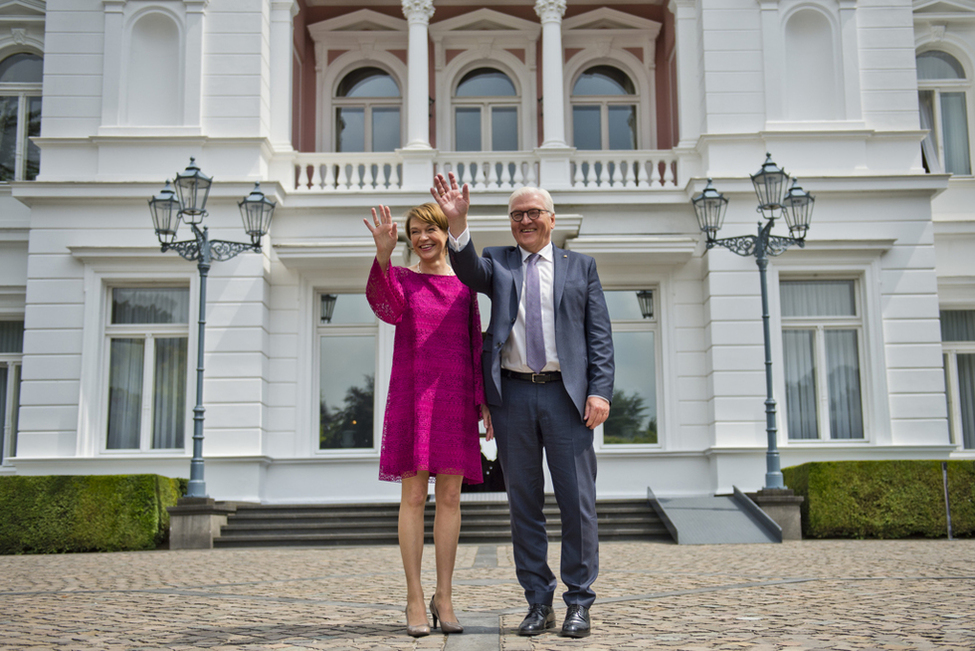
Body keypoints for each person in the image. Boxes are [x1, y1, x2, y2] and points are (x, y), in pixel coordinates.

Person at [431, 172, 614, 639]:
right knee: (524, 505)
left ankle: (578, 603)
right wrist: (457, 225)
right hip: (512, 396)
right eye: (517, 215)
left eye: (534, 213)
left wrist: (600, 391)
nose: (525, 220)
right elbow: (470, 271)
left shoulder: (581, 267)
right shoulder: (499, 261)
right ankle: (538, 602)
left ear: (551, 219)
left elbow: (599, 337)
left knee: (577, 503)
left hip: (566, 397)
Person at [364, 202, 493, 638]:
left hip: (455, 401)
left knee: (452, 499)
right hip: (414, 398)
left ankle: (445, 595)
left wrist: (482, 401)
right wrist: (382, 256)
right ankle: (415, 597)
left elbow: (475, 346)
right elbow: (385, 307)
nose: (422, 238)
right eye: (414, 231)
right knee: (415, 497)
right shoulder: (400, 279)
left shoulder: (465, 286)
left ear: (444, 232)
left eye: (430, 230)